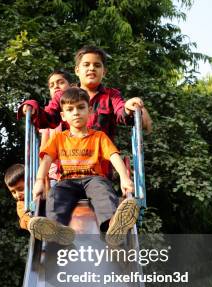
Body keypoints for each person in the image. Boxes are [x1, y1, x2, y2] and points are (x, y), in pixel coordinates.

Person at [27, 87, 140, 246]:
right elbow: (46, 159)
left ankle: (113, 227)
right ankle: (56, 230)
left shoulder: (99, 136)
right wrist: (39, 180)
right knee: (55, 195)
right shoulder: (59, 138)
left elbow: (114, 156)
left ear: (90, 111)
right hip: (68, 181)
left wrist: (124, 177)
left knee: (104, 192)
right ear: (63, 116)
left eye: (81, 107)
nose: (76, 112)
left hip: (94, 178)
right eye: (70, 109)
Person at [17, 45, 152, 143]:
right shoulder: (63, 96)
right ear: (77, 70)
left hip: (100, 167)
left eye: (97, 65)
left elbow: (122, 113)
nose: (91, 68)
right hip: (70, 166)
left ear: (104, 72)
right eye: (86, 65)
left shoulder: (111, 95)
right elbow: (48, 118)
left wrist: (129, 108)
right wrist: (32, 106)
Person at [40, 69, 72, 185]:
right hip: (55, 174)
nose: (56, 87)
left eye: (60, 82)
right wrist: (43, 179)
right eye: (51, 85)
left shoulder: (78, 111)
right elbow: (43, 149)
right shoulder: (47, 115)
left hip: (79, 168)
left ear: (71, 86)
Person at [4, 163, 32, 231]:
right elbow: (24, 219)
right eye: (13, 192)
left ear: (31, 183)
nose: (17, 195)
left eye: (21, 189)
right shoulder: (21, 205)